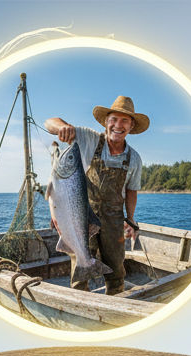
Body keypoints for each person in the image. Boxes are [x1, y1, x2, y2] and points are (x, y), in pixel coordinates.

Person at [45, 96, 147, 295]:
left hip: (114, 218)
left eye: (125, 120)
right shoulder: (88, 138)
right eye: (114, 119)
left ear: (131, 126)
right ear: (106, 121)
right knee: (78, 262)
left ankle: (115, 302)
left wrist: (131, 219)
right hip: (82, 213)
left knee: (116, 269)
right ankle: (80, 302)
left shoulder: (134, 158)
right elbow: (50, 122)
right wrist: (62, 128)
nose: (118, 125)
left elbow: (131, 191)